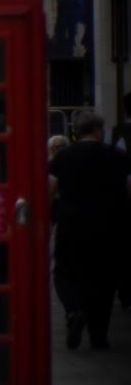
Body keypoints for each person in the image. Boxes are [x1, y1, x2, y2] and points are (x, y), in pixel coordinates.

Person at [47, 110, 131, 350]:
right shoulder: (117, 155)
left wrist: (47, 221)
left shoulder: (63, 157)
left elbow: (49, 190)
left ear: (77, 131)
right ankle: (99, 336)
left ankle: (74, 310)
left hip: (71, 223)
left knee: (64, 273)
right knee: (104, 280)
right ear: (98, 131)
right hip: (109, 224)